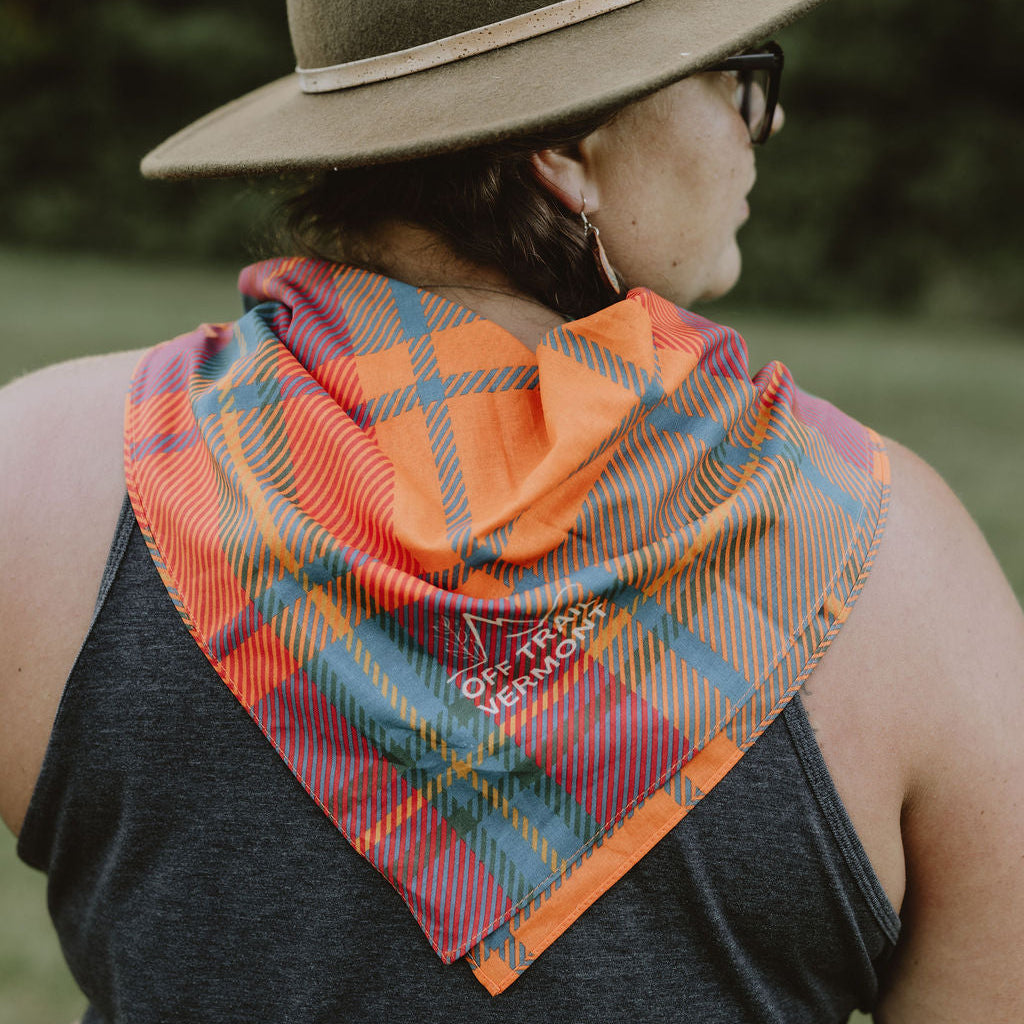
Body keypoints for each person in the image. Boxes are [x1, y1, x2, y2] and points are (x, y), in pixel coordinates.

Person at [1, 0, 1022, 1021]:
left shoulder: (48, 479)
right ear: (567, 149)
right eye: (730, 71)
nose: (765, 120)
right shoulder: (900, 579)